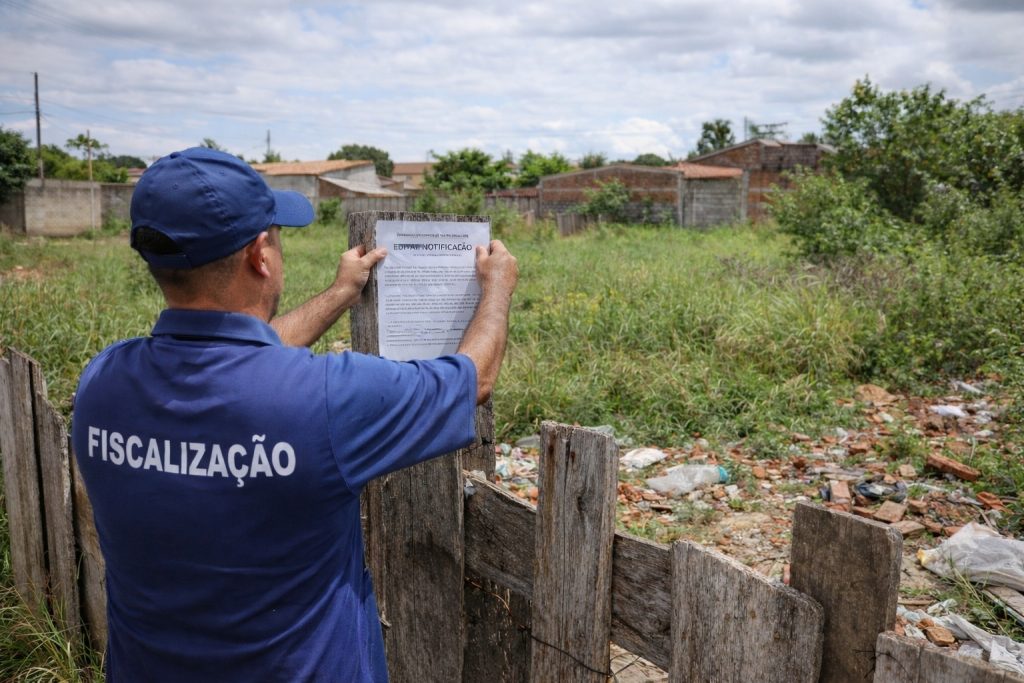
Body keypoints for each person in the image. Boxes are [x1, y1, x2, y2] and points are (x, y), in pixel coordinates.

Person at [70, 146, 518, 682]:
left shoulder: (102, 385)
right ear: (260, 255)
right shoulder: (327, 398)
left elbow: (237, 362)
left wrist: (339, 294)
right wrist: (497, 288)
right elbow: (474, 380)